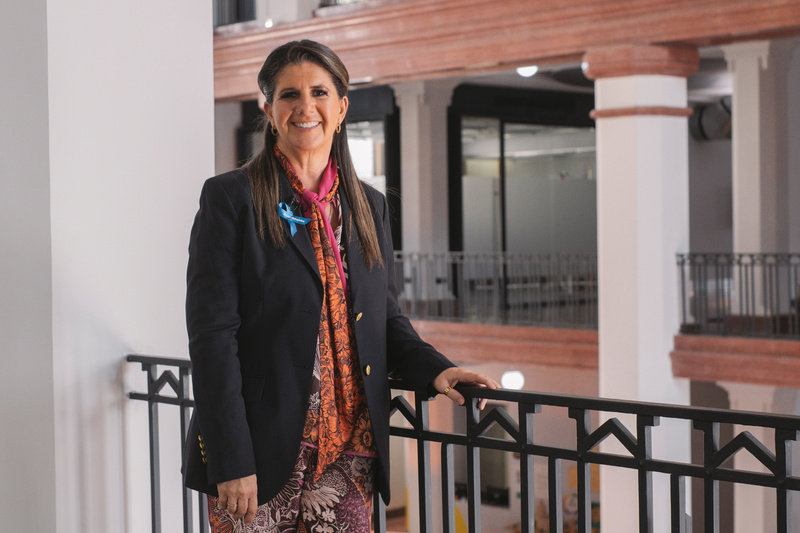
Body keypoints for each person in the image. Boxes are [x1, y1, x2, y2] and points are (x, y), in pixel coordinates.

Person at [182, 39, 499, 533]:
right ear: (268, 110)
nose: (305, 107)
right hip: (258, 453)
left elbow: (385, 318)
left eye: (319, 92)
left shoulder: (370, 206)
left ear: (342, 106)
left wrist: (435, 369)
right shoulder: (231, 199)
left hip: (349, 450)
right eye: (289, 95)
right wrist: (230, 459)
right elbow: (212, 338)